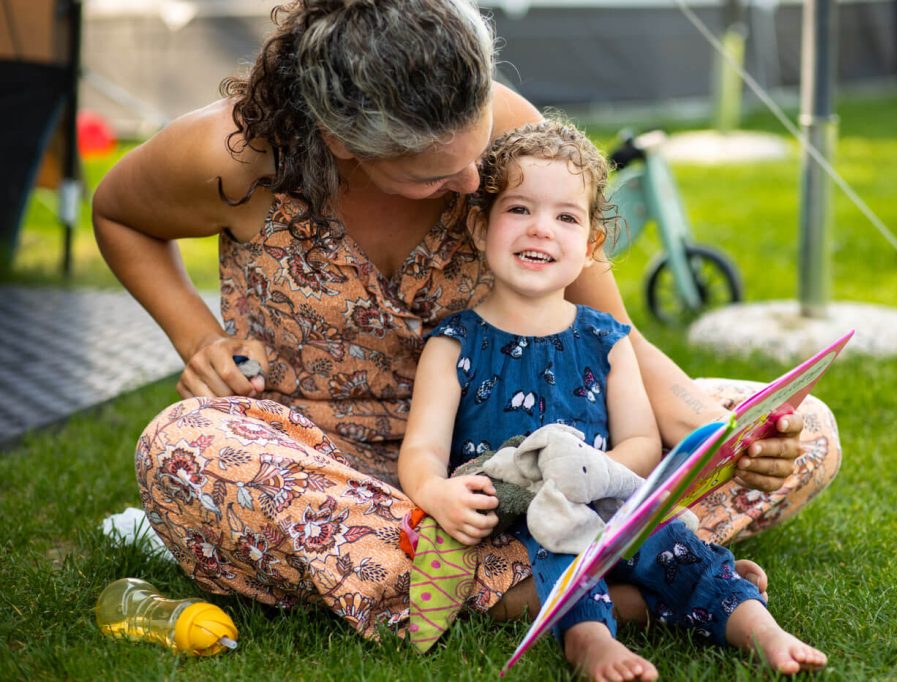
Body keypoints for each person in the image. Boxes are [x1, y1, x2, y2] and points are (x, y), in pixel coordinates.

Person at [93, 0, 841, 647]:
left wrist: (720, 437)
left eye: (479, 149)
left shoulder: (513, 135)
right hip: (325, 464)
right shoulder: (232, 158)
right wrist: (199, 341)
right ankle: (624, 580)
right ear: (341, 142)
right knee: (183, 447)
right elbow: (119, 213)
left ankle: (446, 584)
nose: (475, 184)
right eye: (431, 174)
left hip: (532, 465)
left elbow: (616, 337)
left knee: (810, 429)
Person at [397, 120, 827, 679]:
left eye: (566, 217)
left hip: (607, 499)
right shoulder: (455, 344)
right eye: (519, 210)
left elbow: (642, 442)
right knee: (560, 546)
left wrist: (595, 478)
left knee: (675, 543)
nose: (542, 230)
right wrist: (438, 493)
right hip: (517, 516)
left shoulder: (607, 341)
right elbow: (423, 448)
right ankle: (591, 641)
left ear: (591, 244)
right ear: (480, 227)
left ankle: (760, 628)